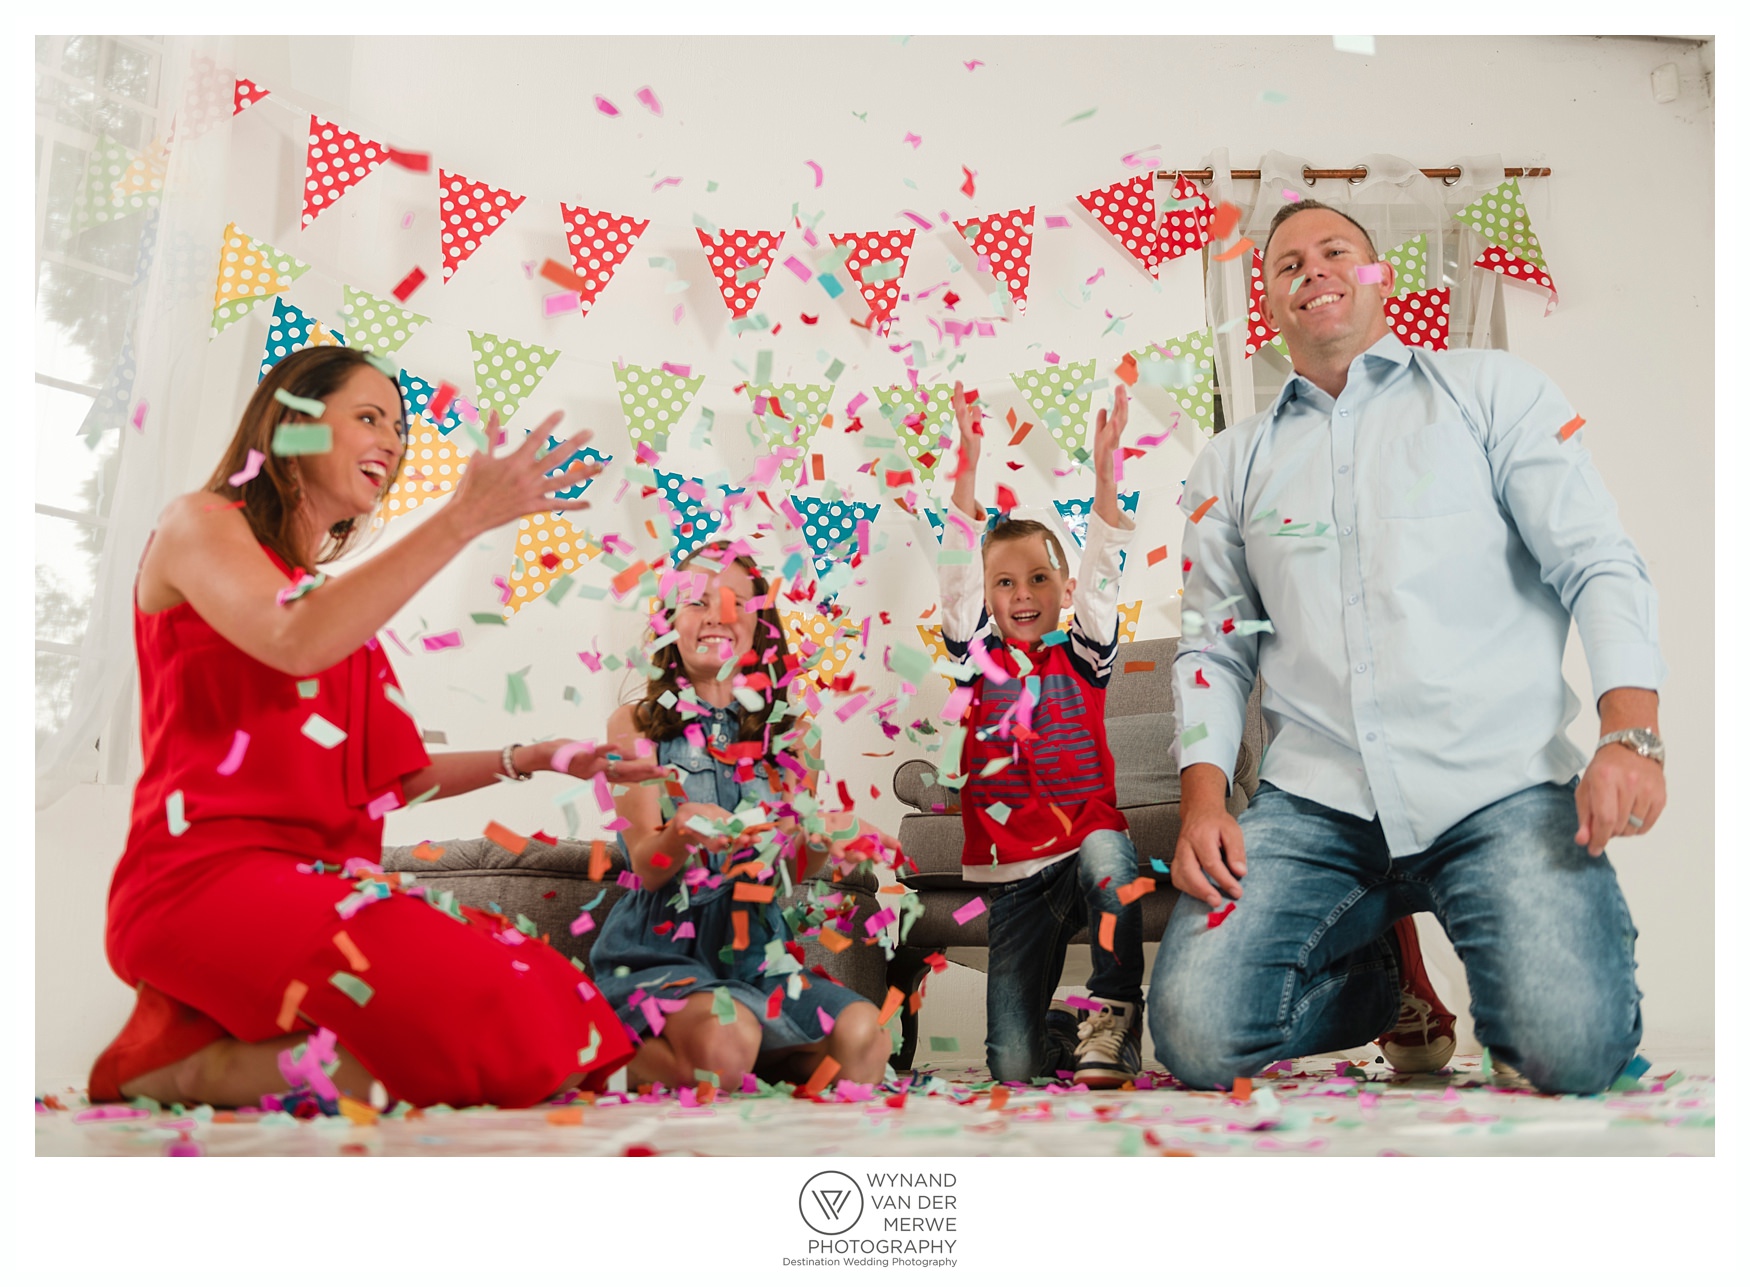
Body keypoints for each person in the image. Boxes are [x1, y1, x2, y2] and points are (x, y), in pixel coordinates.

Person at [1150, 198, 1665, 1094]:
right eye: (1287, 264)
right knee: (1196, 1038)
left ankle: (1535, 989)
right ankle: (1383, 986)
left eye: (1336, 249)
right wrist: (1203, 803)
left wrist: (1631, 732)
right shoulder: (1229, 465)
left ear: (1378, 271)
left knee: (1570, 1054)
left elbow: (1597, 561)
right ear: (1270, 305)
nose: (1313, 268)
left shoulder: (1494, 391)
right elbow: (1211, 648)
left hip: (1497, 785)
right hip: (1321, 804)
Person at [92, 344, 663, 1111]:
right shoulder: (198, 524)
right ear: (292, 426)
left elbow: (395, 779)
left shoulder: (335, 610)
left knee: (543, 1003)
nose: (393, 442)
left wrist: (539, 755)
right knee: (489, 1033)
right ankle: (181, 1068)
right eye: (369, 417)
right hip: (198, 880)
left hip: (324, 882)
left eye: (398, 426)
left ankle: (196, 1062)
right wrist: (463, 518)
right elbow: (293, 639)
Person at [589, 543, 897, 1092]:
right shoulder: (634, 724)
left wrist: (828, 838)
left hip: (756, 953)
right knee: (728, 1039)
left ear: (761, 623)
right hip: (659, 948)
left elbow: (789, 871)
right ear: (668, 623)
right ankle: (605, 1053)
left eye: (736, 602)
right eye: (696, 602)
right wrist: (681, 832)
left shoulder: (797, 737)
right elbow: (648, 866)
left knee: (865, 1040)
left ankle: (741, 1061)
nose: (717, 616)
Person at [936, 381, 1144, 1087]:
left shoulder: (1082, 654)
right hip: (1014, 876)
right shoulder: (975, 661)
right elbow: (955, 582)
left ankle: (1115, 1015)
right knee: (1014, 1064)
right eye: (1004, 583)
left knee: (1113, 855)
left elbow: (1105, 575)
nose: (1021, 594)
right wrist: (967, 466)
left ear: (1062, 588)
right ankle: (1061, 1029)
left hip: (1086, 844)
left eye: (1037, 579)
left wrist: (1106, 475)